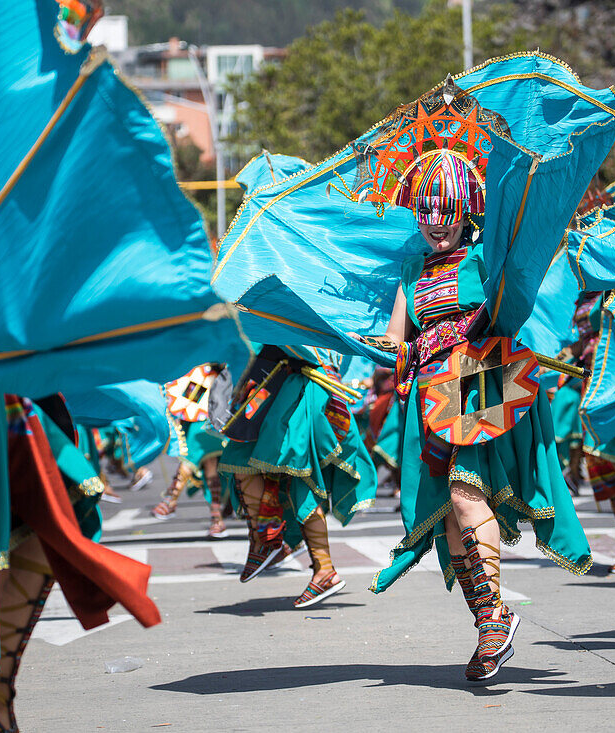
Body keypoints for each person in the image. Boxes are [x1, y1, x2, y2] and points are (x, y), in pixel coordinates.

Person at [358, 151, 592, 682]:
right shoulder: (412, 267)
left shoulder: (488, 255)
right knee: (449, 517)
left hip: (482, 382)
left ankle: (493, 622)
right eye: (426, 209)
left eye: (447, 208)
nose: (436, 221)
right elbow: (398, 336)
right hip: (431, 396)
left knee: (466, 494)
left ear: (467, 209)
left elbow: (512, 301)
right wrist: (361, 341)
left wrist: (473, 325)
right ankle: (492, 621)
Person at [218, 345, 376, 607]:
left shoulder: (317, 311)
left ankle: (322, 569)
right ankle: (267, 536)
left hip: (306, 390)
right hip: (282, 386)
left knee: (300, 477)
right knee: (241, 458)